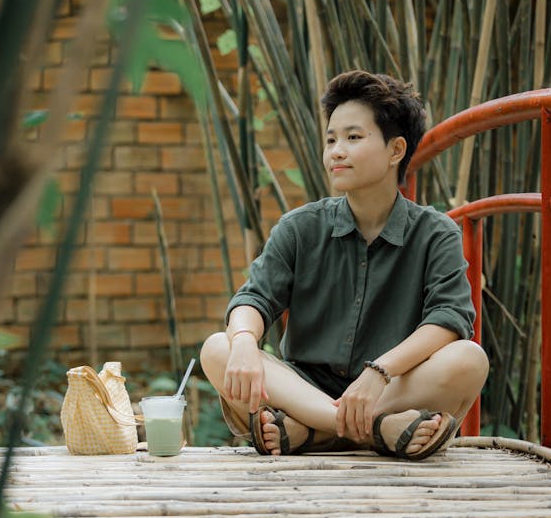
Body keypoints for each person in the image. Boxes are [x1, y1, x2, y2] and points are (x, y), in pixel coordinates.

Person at [200, 70, 489, 460]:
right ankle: (372, 432)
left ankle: (315, 434)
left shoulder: (435, 233)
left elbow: (450, 318)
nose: (336, 151)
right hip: (303, 388)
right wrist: (245, 342)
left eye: (353, 138)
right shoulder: (300, 227)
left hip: (390, 388)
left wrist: (379, 371)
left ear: (395, 150)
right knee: (219, 347)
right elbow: (254, 298)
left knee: (469, 359)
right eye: (332, 139)